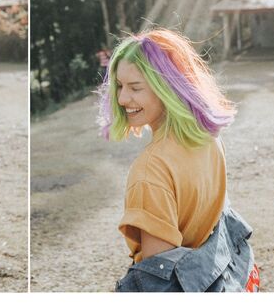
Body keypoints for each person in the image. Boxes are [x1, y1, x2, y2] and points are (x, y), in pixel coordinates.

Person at [98, 28, 259, 292]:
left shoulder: (151, 169)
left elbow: (160, 281)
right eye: (119, 85)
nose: (122, 98)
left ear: (166, 88)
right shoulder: (208, 137)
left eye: (135, 87)